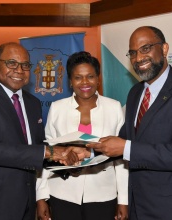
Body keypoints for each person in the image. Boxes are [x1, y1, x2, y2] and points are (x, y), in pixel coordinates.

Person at [88, 26, 172, 219]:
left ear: (164, 49)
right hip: (138, 206)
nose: (138, 58)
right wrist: (88, 150)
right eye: (133, 53)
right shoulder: (136, 92)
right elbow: (124, 138)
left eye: (146, 48)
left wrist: (126, 148)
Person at [0, 42, 78, 220]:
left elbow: (35, 148)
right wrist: (52, 152)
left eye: (25, 65)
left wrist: (70, 158)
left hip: (26, 202)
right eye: (12, 63)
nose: (19, 70)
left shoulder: (32, 103)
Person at [36, 51, 128, 220]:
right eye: (78, 77)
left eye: (90, 76)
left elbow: (122, 159)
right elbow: (46, 153)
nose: (85, 82)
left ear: (98, 79)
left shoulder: (114, 108)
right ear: (70, 81)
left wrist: (123, 199)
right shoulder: (57, 108)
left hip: (103, 193)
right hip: (62, 192)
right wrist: (41, 196)